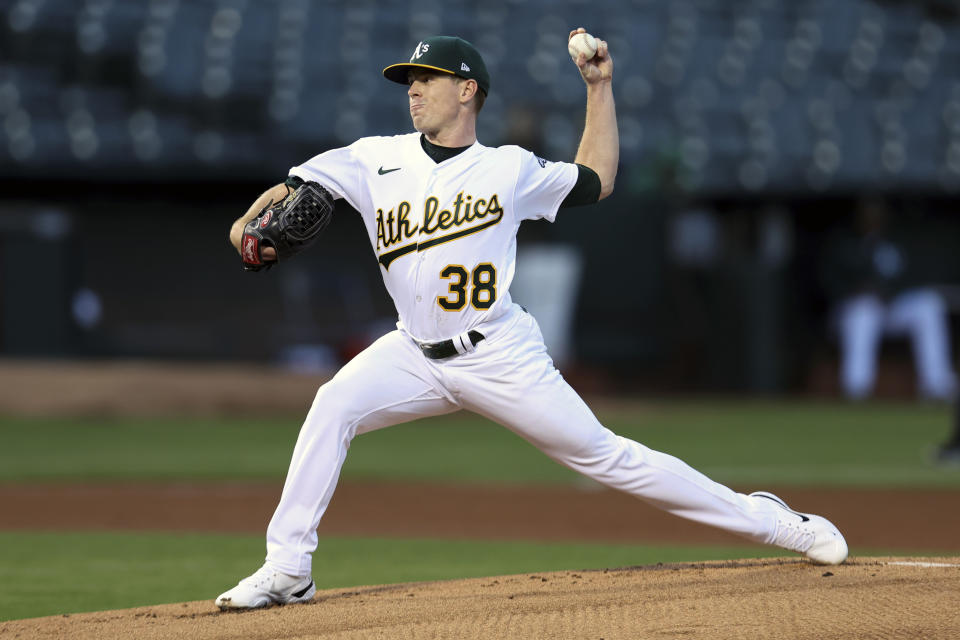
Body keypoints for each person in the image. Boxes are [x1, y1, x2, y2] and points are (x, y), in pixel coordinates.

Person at [215, 30, 847, 610]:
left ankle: (775, 522)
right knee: (333, 405)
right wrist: (249, 226)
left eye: (426, 77)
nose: (412, 89)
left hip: (498, 352)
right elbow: (299, 187)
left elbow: (597, 179)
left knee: (606, 458)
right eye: (409, 79)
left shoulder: (509, 168)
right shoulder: (371, 156)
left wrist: (599, 87)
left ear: (467, 91)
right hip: (413, 351)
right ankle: (289, 568)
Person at [822, 198, 957, 400]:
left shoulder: (894, 243)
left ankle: (936, 384)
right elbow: (829, 281)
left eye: (877, 214)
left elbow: (911, 277)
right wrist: (857, 290)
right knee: (863, 313)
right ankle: (856, 388)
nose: (873, 219)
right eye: (868, 214)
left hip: (891, 306)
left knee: (928, 305)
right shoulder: (845, 243)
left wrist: (890, 293)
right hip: (854, 310)